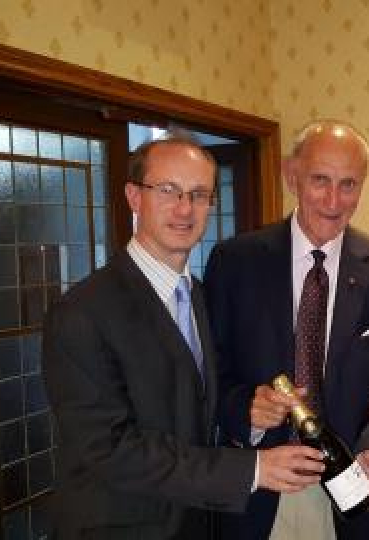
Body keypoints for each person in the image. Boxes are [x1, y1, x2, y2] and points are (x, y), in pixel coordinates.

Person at [42, 135, 325, 540]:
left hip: (198, 522)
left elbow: (196, 406)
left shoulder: (198, 296)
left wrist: (249, 410)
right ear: (134, 197)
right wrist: (255, 469)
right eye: (168, 190)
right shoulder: (82, 312)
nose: (184, 208)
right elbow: (110, 449)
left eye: (199, 194)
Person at [203, 120, 369, 540]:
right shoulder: (234, 263)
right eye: (320, 180)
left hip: (354, 486)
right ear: (291, 175)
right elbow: (211, 371)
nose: (334, 200)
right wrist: (244, 408)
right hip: (259, 485)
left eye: (349, 184)